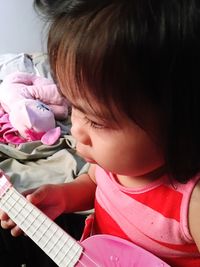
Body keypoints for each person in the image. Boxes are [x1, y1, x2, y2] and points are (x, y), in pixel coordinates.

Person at [1, 0, 200, 266]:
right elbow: (95, 184)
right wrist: (62, 196)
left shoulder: (193, 205)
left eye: (96, 121)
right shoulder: (114, 164)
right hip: (91, 252)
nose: (77, 130)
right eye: (73, 106)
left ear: (182, 126)